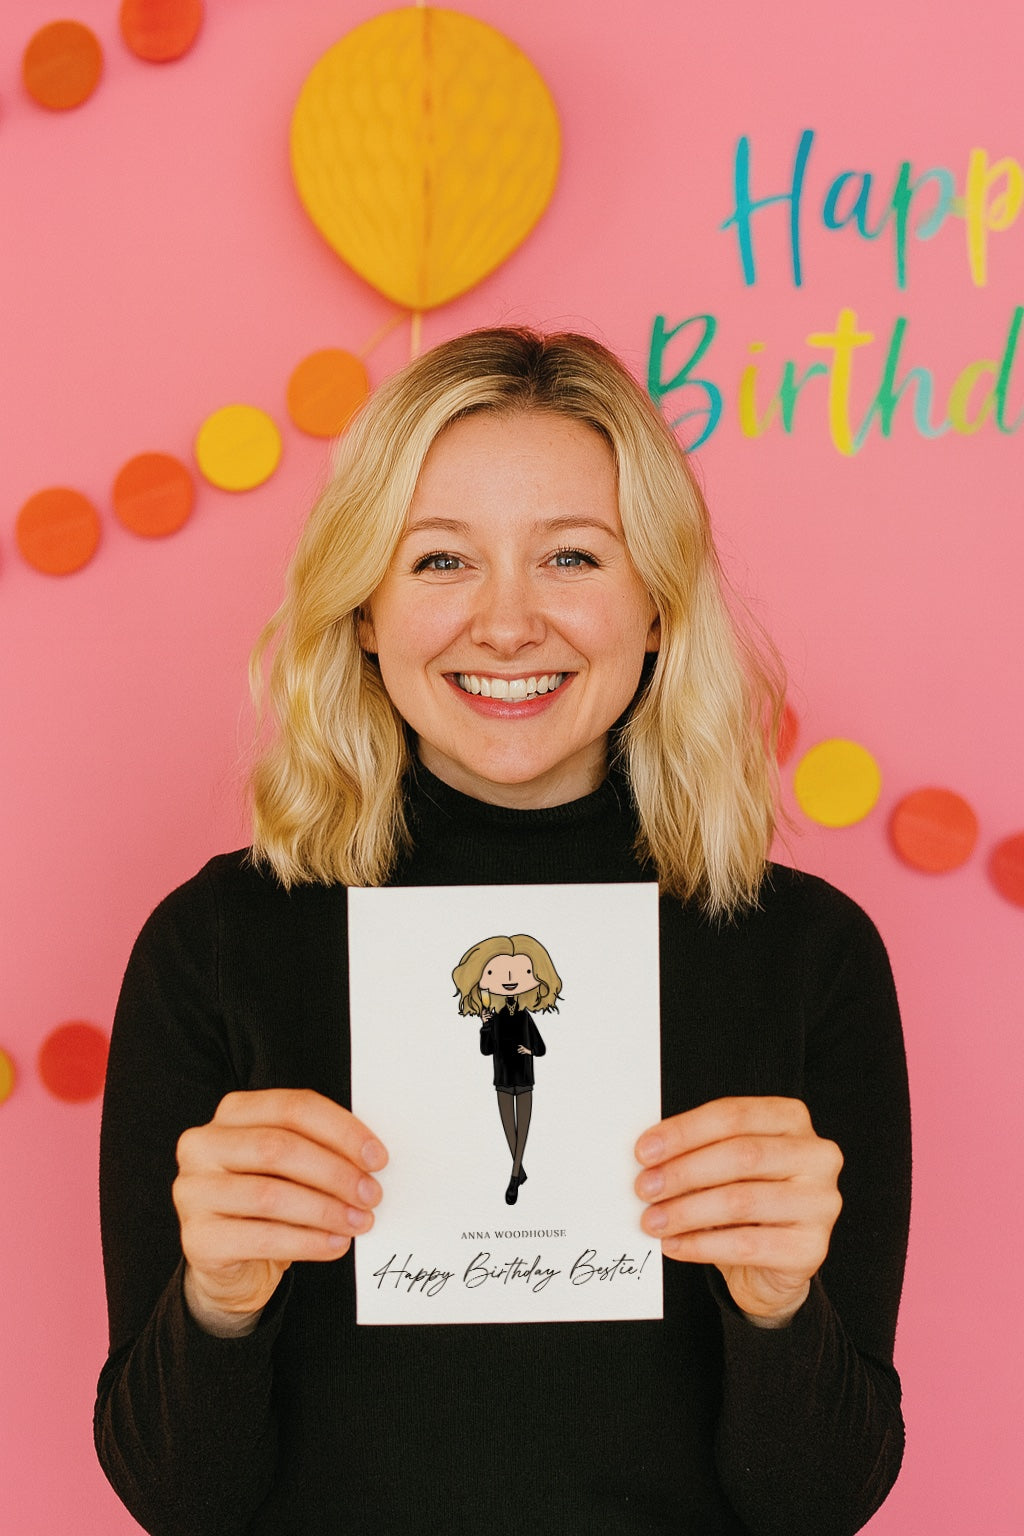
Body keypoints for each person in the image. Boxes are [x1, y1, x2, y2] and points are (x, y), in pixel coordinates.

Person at [95, 327, 911, 1536]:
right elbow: (177, 1502)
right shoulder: (213, 946)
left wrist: (780, 1309)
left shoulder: (808, 956)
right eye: (439, 562)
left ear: (657, 607)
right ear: (363, 609)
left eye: (572, 555)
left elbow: (819, 1507)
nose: (509, 623)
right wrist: (214, 1301)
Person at [451, 931, 563, 1203]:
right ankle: (518, 1168)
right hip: (502, 1075)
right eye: (495, 973)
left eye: (523, 971)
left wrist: (530, 1050)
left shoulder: (525, 1016)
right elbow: (486, 1050)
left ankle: (514, 1178)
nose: (511, 980)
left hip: (524, 1074)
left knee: (522, 1127)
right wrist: (485, 1026)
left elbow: (542, 1047)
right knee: (509, 1128)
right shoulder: (495, 1018)